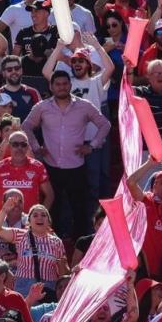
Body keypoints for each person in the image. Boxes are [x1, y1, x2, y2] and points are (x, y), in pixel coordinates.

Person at [22, 70, 110, 238]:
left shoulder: (84, 105)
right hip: (51, 165)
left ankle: (80, 243)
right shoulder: (42, 107)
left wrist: (92, 146)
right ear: (51, 86)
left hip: (76, 166)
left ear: (70, 85)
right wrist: (36, 146)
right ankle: (51, 241)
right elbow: (26, 126)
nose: (61, 87)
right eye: (58, 84)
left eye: (64, 84)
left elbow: (104, 125)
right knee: (53, 207)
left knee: (79, 209)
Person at [0, 197, 68, 298]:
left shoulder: (57, 242)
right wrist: (5, 210)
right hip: (24, 287)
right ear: (29, 222)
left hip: (49, 288)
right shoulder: (21, 235)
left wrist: (62, 264)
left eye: (43, 215)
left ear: (49, 222)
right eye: (35, 215)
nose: (39, 218)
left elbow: (63, 272)